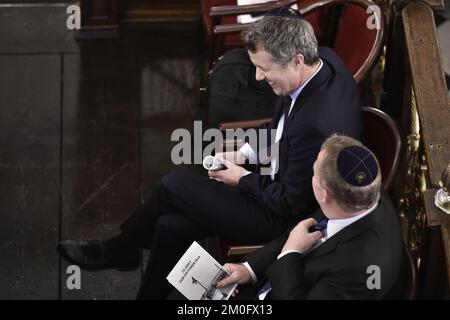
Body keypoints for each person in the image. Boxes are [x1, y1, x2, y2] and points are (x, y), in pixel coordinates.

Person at [57, 8, 362, 299]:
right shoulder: (321, 61)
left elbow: (289, 203)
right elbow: (281, 125)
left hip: (284, 219)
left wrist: (240, 178)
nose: (257, 77)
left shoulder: (316, 125)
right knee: (168, 227)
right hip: (275, 178)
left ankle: (121, 250)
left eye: (264, 69)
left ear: (296, 60)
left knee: (174, 184)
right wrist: (244, 151)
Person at [217, 135, 404, 300]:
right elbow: (300, 232)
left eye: (314, 172)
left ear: (325, 194)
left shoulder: (358, 274)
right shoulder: (359, 193)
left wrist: (289, 253)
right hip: (265, 282)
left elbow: (293, 244)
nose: (311, 174)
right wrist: (248, 269)